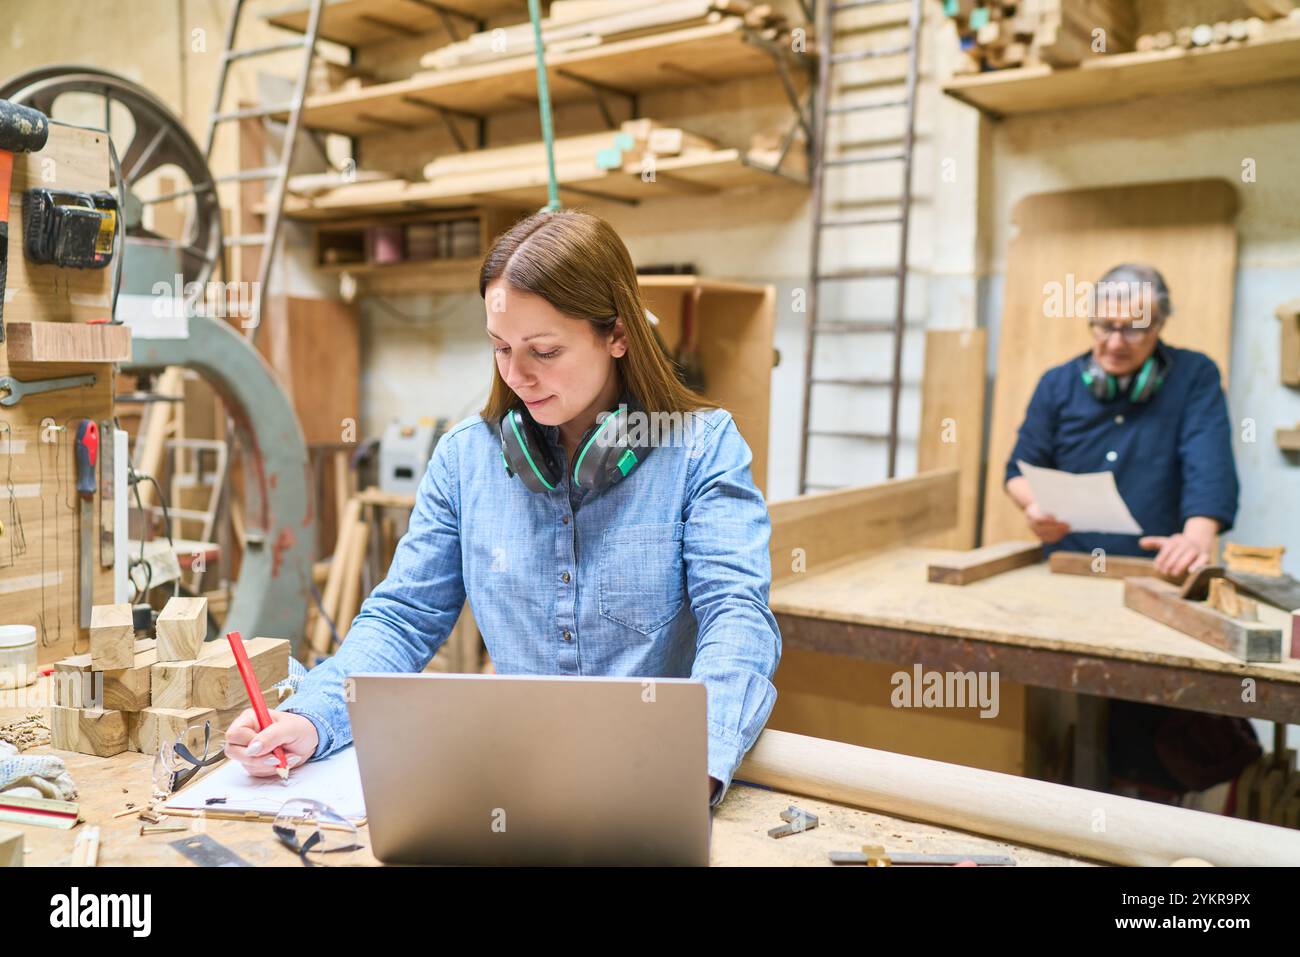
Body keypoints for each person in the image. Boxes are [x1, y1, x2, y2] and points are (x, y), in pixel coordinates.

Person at [223, 209, 782, 807]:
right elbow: (403, 619)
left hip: (651, 777)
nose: (518, 375)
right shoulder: (466, 460)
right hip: (517, 784)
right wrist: (313, 719)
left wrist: (692, 764)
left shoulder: (701, 451)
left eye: (544, 350)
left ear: (617, 334)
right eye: (500, 348)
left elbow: (737, 618)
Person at [1005, 263, 1257, 800]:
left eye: (1133, 329)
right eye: (1103, 326)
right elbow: (1018, 469)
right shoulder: (1057, 383)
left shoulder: (1194, 376)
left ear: (1161, 325)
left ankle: (1139, 824)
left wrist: (1197, 536)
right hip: (1068, 573)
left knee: (1148, 736)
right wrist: (1034, 508)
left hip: (1155, 577)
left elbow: (1207, 465)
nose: (1114, 342)